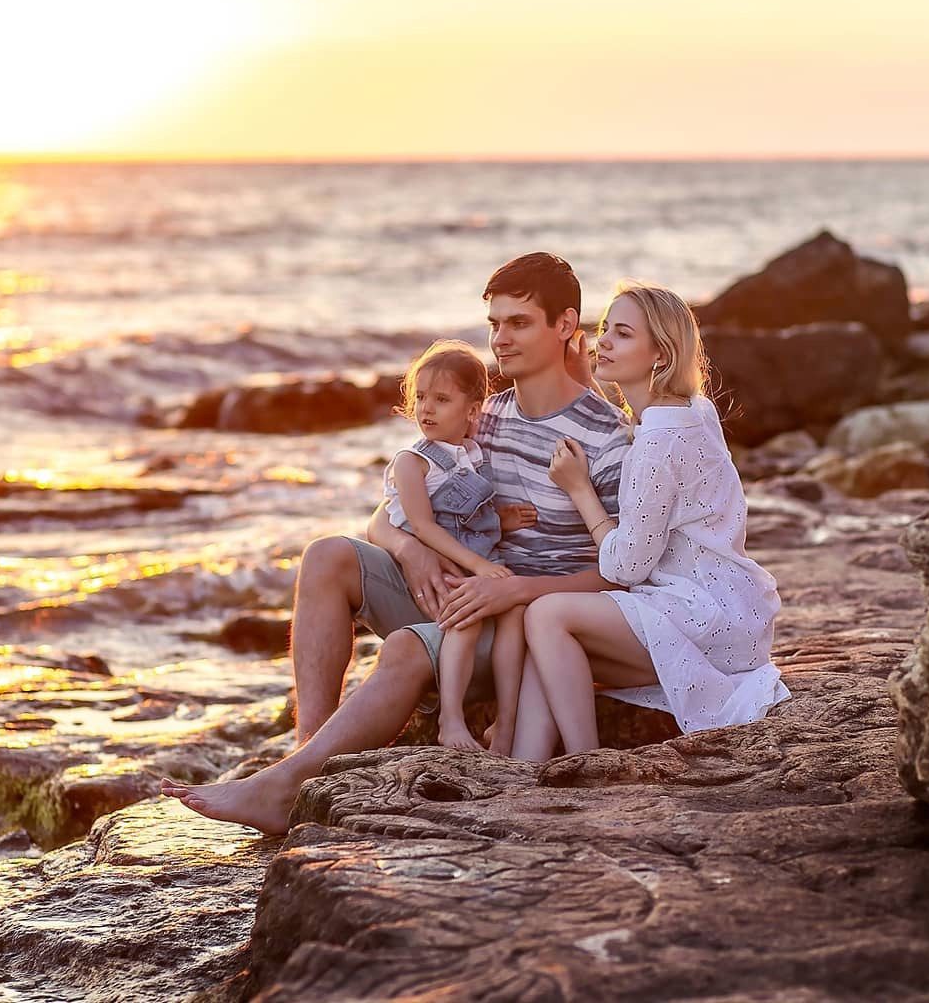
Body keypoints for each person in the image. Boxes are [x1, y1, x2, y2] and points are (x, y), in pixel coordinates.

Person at [160, 251, 630, 832]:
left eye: (519, 323)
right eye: (494, 324)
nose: (500, 339)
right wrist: (411, 551)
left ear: (566, 326)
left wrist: (515, 591)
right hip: (452, 591)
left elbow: (623, 572)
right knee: (327, 555)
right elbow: (390, 514)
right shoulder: (480, 417)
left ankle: (286, 787)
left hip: (522, 626)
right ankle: (309, 760)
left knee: (406, 646)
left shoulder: (606, 437)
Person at [510, 280, 789, 762]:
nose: (603, 342)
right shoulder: (694, 410)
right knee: (549, 645)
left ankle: (586, 759)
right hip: (734, 613)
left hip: (706, 618)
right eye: (605, 329)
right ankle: (522, 763)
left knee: (546, 615)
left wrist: (579, 490)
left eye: (623, 334)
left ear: (660, 353)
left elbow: (626, 568)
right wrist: (590, 387)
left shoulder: (658, 445)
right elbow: (637, 428)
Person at [380, 339, 525, 752]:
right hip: (440, 566)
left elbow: (471, 515)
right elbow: (424, 527)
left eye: (441, 400)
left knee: (516, 611)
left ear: (472, 411)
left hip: (474, 559)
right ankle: (451, 718)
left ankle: (506, 720)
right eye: (420, 397)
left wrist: (502, 519)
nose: (426, 409)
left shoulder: (473, 454)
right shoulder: (412, 462)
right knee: (467, 617)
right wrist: (477, 567)